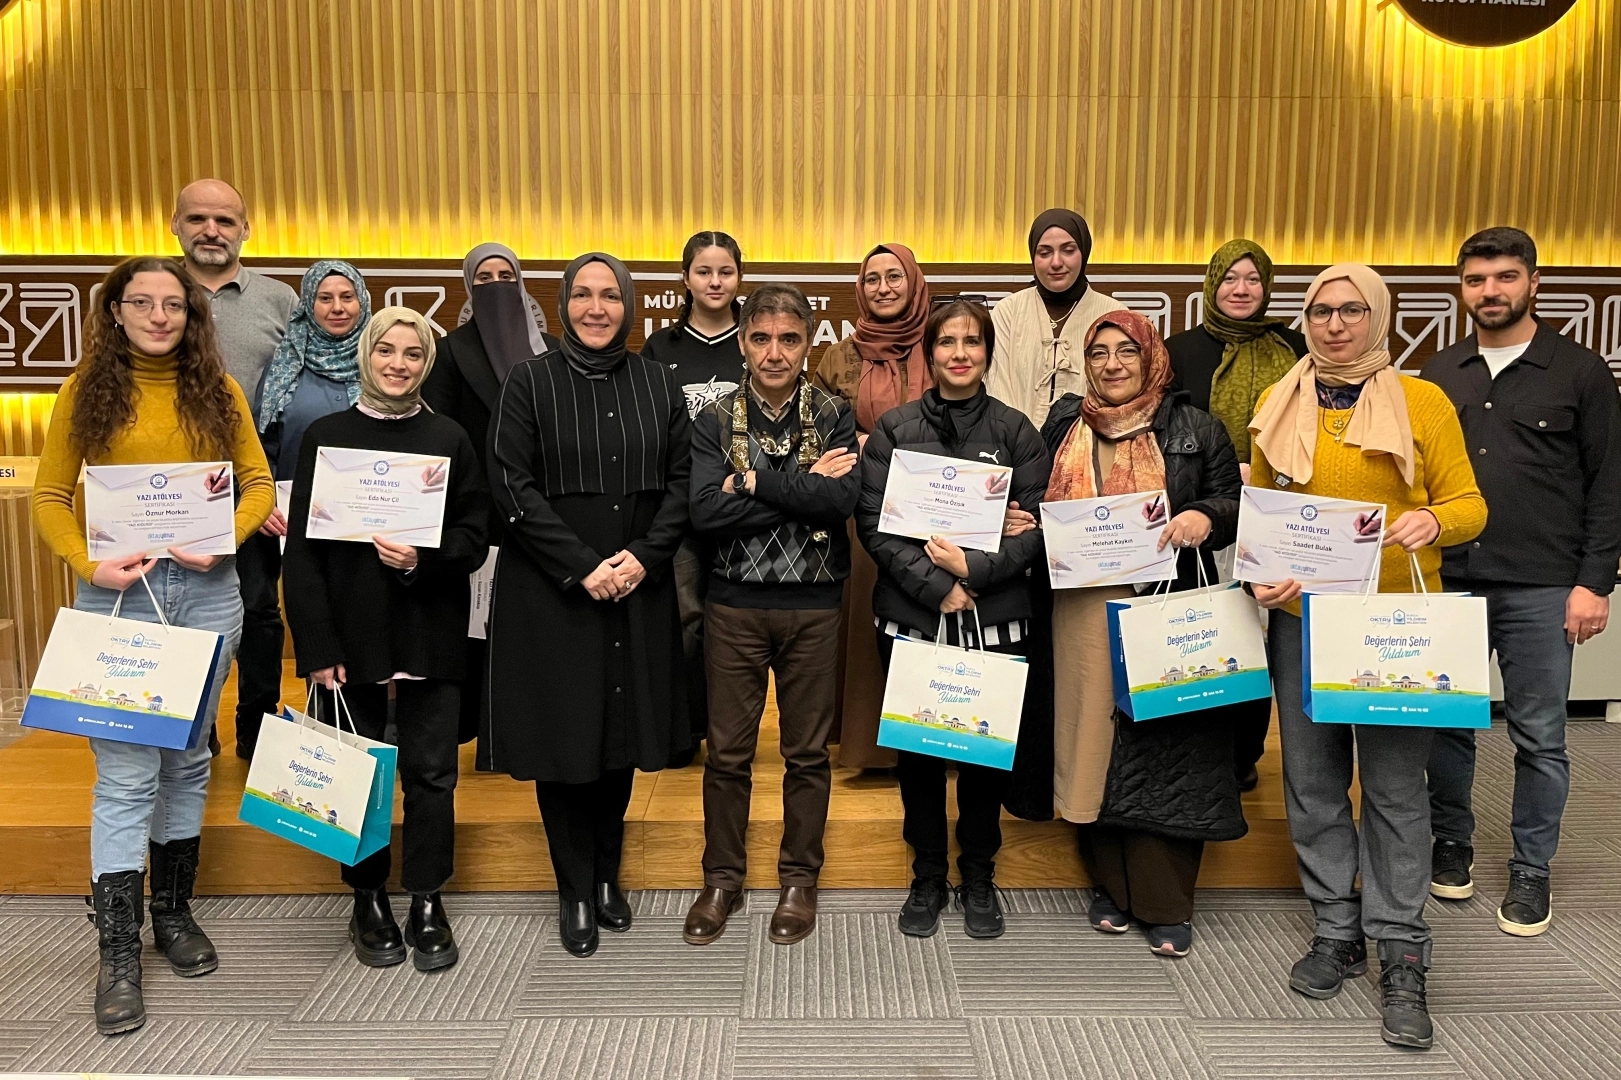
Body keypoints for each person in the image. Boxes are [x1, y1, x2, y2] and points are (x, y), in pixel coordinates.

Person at [31, 256, 275, 1035]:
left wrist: (223, 538)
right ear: (116, 310)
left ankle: (172, 912)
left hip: (206, 594)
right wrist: (88, 564)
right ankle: (117, 948)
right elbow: (49, 495)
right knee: (127, 771)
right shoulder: (86, 391)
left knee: (188, 757)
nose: (160, 316)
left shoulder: (218, 389)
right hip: (120, 596)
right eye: (143, 302)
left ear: (191, 315)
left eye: (174, 304)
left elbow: (258, 485)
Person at [1248, 263, 1487, 1050]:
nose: (1334, 324)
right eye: (1320, 310)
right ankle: (1334, 925)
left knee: (1392, 788)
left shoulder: (1421, 401)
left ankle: (1400, 946)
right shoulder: (1276, 401)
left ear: (1377, 316)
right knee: (1312, 781)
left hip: (1391, 628)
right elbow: (1266, 515)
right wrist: (1263, 573)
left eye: (1351, 309)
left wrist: (1434, 522)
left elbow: (1469, 503)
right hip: (1302, 621)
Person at [486, 252, 691, 958]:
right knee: (565, 743)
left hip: (637, 583)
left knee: (620, 738)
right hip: (554, 591)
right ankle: (573, 888)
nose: (596, 308)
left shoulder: (659, 383)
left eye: (609, 295)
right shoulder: (528, 381)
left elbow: (682, 483)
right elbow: (510, 485)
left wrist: (643, 557)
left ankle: (606, 875)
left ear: (629, 305)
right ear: (563, 304)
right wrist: (582, 567)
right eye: (582, 295)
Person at [1422, 227, 1621, 936]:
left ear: (1533, 283)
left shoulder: (1580, 371)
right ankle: (1451, 844)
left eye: (1505, 277)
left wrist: (1594, 583)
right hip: (1450, 579)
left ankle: (1532, 869)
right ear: (1462, 288)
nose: (1490, 291)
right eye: (1476, 280)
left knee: (1539, 736)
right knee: (1445, 726)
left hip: (1542, 585)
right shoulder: (1440, 371)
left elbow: (1608, 485)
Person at [282, 307, 488, 973]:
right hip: (351, 637)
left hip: (430, 630)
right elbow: (303, 555)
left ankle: (427, 897)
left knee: (433, 774)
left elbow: (474, 535)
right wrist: (316, 648)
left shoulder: (448, 436)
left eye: (413, 353)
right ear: (366, 355)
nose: (398, 364)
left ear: (427, 362)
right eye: (386, 351)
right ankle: (367, 897)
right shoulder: (327, 437)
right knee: (358, 777)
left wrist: (422, 558)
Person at [1035, 310, 1245, 958]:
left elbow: (1234, 503)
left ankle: (1163, 899)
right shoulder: (1063, 425)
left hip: (1166, 605)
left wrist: (1203, 516)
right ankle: (1110, 883)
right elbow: (1034, 500)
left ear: (1151, 356)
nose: (1112, 364)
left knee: (1165, 747)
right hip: (1081, 607)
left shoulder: (1194, 427)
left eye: (1126, 350)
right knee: (1093, 742)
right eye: (1098, 353)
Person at [856, 299, 1048, 939]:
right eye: (947, 342)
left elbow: (1036, 527)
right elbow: (875, 524)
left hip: (996, 616)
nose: (960, 353)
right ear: (930, 353)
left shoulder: (1017, 432)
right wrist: (939, 586)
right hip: (915, 615)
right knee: (919, 753)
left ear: (988, 352)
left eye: (972, 341)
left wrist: (974, 570)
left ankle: (980, 873)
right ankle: (928, 874)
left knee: (985, 754)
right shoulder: (894, 429)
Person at [682, 283, 860, 948]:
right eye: (761, 339)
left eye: (789, 339)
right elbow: (706, 513)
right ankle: (721, 880)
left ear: (808, 342)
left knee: (806, 754)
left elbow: (838, 505)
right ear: (742, 343)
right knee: (727, 755)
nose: (775, 353)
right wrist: (801, 490)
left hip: (814, 607)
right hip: (734, 606)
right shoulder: (713, 418)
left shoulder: (834, 414)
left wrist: (752, 482)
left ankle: (799, 880)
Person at [1165, 239, 1309, 792]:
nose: (1241, 289)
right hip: (1204, 513)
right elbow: (1166, 426)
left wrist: (1267, 471)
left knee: (1257, 634)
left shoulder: (1296, 349)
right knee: (1207, 632)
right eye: (1230, 279)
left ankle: (1243, 754)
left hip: (1280, 512)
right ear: (1212, 285)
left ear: (1267, 287)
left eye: (1252, 279)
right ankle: (1197, 749)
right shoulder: (1180, 350)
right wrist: (1224, 472)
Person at [170, 178, 297, 759]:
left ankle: (257, 727)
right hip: (169, 492)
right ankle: (193, 729)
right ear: (175, 225)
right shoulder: (154, 291)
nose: (211, 231)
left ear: (245, 229)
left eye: (224, 220)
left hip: (252, 486)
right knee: (180, 616)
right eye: (198, 218)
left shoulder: (280, 301)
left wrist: (265, 490)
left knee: (259, 611)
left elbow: (291, 399)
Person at [421, 243, 562, 762]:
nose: (497, 285)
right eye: (484, 277)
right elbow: (442, 432)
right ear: (467, 285)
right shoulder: (449, 351)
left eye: (507, 275)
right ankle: (483, 736)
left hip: (542, 511)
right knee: (478, 632)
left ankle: (531, 729)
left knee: (536, 628)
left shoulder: (550, 349)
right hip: (480, 514)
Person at [809, 242, 933, 771]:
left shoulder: (941, 342)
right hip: (864, 507)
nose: (883, 288)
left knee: (929, 619)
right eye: (872, 279)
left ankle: (936, 742)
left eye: (894, 277)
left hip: (936, 506)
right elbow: (813, 429)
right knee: (866, 623)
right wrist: (856, 443)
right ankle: (869, 746)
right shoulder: (840, 355)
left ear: (914, 283)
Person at [240, 261, 370, 757]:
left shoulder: (380, 358)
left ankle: (359, 730)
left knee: (355, 612)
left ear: (362, 302)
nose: (337, 308)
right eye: (324, 298)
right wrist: (263, 499)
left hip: (365, 518)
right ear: (308, 305)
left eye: (347, 297)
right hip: (288, 516)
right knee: (276, 611)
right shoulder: (285, 363)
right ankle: (269, 725)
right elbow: (262, 440)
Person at [640, 231, 747, 763]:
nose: (715, 282)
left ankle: (730, 733)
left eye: (725, 271)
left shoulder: (756, 340)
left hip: (743, 509)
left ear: (739, 278)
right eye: (704, 271)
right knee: (684, 622)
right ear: (685, 278)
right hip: (679, 507)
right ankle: (684, 730)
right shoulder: (661, 348)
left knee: (733, 627)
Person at [986, 208, 1126, 430]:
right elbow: (996, 388)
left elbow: (1121, 394)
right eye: (1044, 253)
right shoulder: (1007, 313)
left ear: (1084, 252)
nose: (1056, 262)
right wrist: (1021, 441)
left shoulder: (1113, 315)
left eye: (1068, 250)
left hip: (1090, 443)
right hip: (1015, 443)